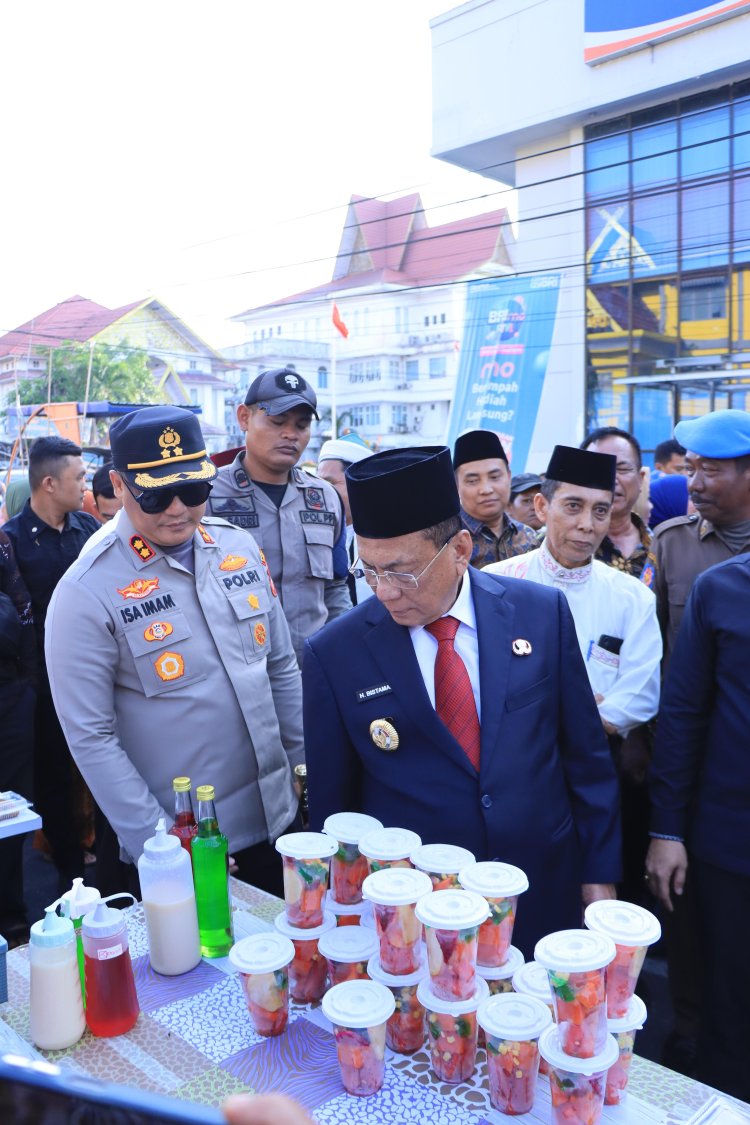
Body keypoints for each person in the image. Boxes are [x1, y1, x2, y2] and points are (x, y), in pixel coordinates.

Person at [302, 446, 621, 958]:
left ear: (460, 550)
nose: (384, 592)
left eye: (402, 572)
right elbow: (334, 809)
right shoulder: (335, 653)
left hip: (540, 882)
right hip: (417, 907)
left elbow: (585, 758)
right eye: (370, 572)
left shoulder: (539, 615)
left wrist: (599, 873)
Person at [44, 406, 304, 896]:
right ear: (119, 486)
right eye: (157, 493)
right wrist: (162, 847)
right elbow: (91, 738)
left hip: (279, 823)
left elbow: (281, 669)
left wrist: (305, 772)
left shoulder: (239, 548)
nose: (178, 508)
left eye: (194, 489)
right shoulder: (86, 589)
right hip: (185, 847)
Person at [487, 445, 661, 904]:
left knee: (596, 897)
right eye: (573, 506)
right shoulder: (497, 583)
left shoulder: (629, 597)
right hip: (516, 770)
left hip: (599, 770)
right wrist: (583, 706)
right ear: (542, 507)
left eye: (600, 511)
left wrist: (560, 715)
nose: (587, 524)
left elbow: (641, 693)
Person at [651, 408, 750, 1073]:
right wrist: (668, 827)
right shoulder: (719, 587)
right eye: (690, 468)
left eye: (708, 468)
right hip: (729, 835)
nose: (694, 481)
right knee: (728, 998)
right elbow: (680, 714)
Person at [3, 437, 99, 889]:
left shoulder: (89, 530)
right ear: (48, 482)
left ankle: (105, 863)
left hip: (96, 677)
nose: (85, 486)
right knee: (54, 783)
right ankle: (68, 879)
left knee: (99, 773)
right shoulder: (13, 543)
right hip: (41, 689)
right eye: (78, 478)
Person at [207, 368, 350, 664]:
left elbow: (336, 588)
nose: (290, 434)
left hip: (314, 667)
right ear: (244, 417)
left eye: (301, 425)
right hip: (238, 670)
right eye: (277, 421)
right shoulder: (205, 496)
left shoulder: (324, 498)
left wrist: (343, 651)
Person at [0, 530, 36, 947]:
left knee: (10, 815)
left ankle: (11, 913)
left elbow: (21, 617)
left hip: (9, 698)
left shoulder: (2, 543)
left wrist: (29, 689)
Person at [580, 427, 656, 585]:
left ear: (640, 478)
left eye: (622, 469)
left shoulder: (662, 547)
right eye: (599, 469)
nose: (611, 479)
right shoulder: (556, 543)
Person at [453, 430, 537, 568]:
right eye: (473, 481)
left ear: (509, 477)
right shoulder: (445, 542)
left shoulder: (529, 537)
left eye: (494, 477)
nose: (486, 489)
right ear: (456, 485)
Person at [317, 433, 374, 605]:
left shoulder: (385, 538)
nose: (319, 491)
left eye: (330, 483)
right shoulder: (313, 534)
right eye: (317, 482)